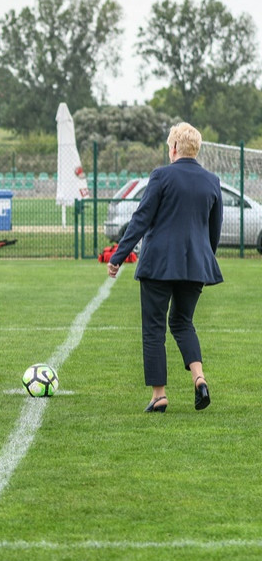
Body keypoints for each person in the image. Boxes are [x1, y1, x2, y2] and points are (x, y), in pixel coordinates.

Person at [108, 122, 222, 413]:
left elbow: (141, 219)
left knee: (154, 329)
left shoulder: (161, 176)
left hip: (158, 264)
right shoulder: (212, 181)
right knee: (183, 322)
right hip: (196, 265)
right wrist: (204, 258)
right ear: (195, 149)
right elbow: (214, 229)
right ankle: (199, 378)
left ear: (173, 148)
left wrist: (118, 255)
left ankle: (159, 396)